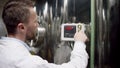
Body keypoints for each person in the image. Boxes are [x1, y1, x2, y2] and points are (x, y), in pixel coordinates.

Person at [0, 0, 89, 68]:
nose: (38, 25)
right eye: (35, 22)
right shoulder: (29, 63)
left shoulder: (4, 49)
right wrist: (79, 43)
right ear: (22, 27)